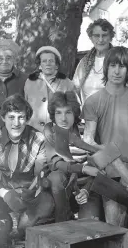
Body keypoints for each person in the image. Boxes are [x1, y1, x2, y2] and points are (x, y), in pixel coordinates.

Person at [0, 94, 71, 240]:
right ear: (3, 118)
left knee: (45, 205)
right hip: (1, 194)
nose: (16, 123)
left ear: (28, 118)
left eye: (21, 117)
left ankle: (22, 228)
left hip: (27, 197)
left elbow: (41, 171)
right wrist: (5, 193)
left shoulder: (38, 139)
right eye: (11, 117)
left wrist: (32, 191)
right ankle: (5, 223)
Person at [82, 46, 128, 226]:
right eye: (113, 65)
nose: (117, 71)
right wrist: (104, 157)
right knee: (97, 224)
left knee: (115, 220)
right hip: (106, 171)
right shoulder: (93, 101)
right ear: (106, 68)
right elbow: (89, 141)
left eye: (122, 66)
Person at [43, 91, 103, 221]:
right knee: (56, 176)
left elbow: (98, 167)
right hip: (60, 190)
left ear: (75, 113)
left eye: (68, 112)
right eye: (58, 113)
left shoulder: (86, 132)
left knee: (90, 225)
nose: (63, 118)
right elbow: (55, 163)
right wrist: (82, 168)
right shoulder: (50, 131)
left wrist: (86, 190)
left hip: (86, 187)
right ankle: (62, 223)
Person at [73, 19, 128, 104]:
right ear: (91, 38)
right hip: (89, 115)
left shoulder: (121, 60)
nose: (100, 40)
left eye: (104, 35)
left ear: (110, 37)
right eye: (96, 35)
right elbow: (74, 89)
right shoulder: (84, 63)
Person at [24, 46, 77, 132]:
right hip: (33, 132)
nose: (47, 63)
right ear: (40, 65)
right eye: (44, 61)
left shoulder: (67, 83)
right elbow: (25, 107)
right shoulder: (29, 82)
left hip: (57, 132)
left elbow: (74, 110)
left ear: (56, 65)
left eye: (51, 61)